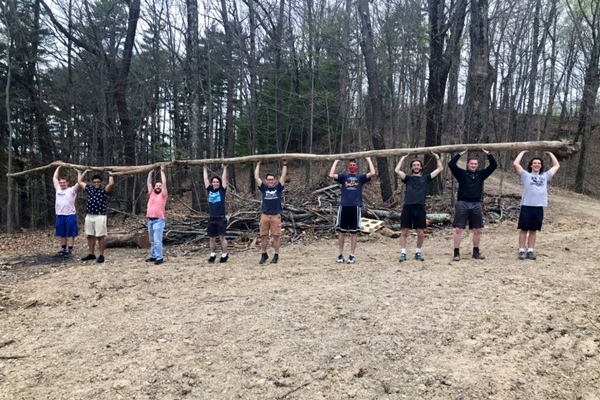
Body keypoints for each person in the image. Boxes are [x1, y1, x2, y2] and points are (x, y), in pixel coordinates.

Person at [449, 149, 497, 261]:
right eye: (471, 164)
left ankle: (476, 252)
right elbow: (451, 164)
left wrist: (488, 154)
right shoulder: (461, 174)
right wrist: (460, 153)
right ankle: (456, 253)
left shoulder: (481, 175)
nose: (473, 165)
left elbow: (493, 165)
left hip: (476, 204)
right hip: (463, 203)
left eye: (475, 164)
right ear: (468, 164)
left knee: (477, 230)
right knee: (458, 229)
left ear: (478, 165)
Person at [395, 153, 443, 262]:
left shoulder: (425, 179)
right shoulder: (408, 178)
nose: (416, 167)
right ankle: (403, 253)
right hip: (408, 207)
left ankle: (418, 252)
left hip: (420, 207)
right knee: (404, 231)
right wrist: (403, 157)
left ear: (421, 167)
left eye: (418, 165)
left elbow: (440, 168)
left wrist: (436, 157)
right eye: (414, 165)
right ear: (412, 167)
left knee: (421, 232)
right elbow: (397, 170)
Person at [513, 151, 560, 260]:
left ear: (541, 166)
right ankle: (521, 250)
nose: (537, 165)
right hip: (526, 206)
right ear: (531, 165)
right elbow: (515, 164)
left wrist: (550, 154)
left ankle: (530, 250)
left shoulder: (545, 176)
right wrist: (522, 152)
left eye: (539, 163)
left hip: (538, 207)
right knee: (524, 229)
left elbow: (556, 166)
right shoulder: (526, 175)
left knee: (533, 230)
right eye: (535, 163)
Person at [328, 157, 376, 264]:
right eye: (350, 165)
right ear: (348, 167)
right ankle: (340, 255)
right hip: (344, 206)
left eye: (354, 165)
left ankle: (352, 255)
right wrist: (336, 161)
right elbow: (331, 175)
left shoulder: (360, 178)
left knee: (354, 232)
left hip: (355, 207)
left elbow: (372, 172)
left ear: (357, 167)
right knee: (341, 232)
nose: (352, 167)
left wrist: (368, 159)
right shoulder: (344, 177)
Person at [254, 160, 288, 264]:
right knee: (263, 236)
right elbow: (256, 177)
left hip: (275, 216)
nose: (270, 181)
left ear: (274, 180)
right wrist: (258, 164)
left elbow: (283, 175)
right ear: (266, 180)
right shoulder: (264, 188)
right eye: (268, 179)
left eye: (272, 179)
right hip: (264, 215)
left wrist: (285, 164)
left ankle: (276, 255)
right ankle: (264, 254)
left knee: (276, 236)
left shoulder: (278, 188)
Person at [78, 170, 114, 263]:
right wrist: (85, 172)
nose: (96, 183)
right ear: (92, 183)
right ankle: (91, 254)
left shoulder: (104, 191)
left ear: (101, 182)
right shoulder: (89, 189)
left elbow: (111, 183)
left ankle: (101, 255)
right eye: (94, 182)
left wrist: (110, 173)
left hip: (100, 216)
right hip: (89, 215)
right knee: (90, 236)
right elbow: (80, 182)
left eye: (98, 182)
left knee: (100, 236)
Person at [53, 165, 81, 256]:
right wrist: (58, 168)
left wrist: (79, 172)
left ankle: (70, 249)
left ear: (67, 183)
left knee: (70, 233)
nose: (62, 184)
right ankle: (63, 248)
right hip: (60, 215)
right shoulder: (58, 189)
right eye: (61, 183)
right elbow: (54, 178)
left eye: (64, 183)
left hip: (70, 215)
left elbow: (79, 182)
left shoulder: (72, 190)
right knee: (62, 233)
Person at [204, 164, 229, 263]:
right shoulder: (209, 189)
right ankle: (212, 255)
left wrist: (225, 168)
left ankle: (224, 254)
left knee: (222, 237)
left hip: (221, 217)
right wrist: (205, 168)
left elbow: (224, 179)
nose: (215, 183)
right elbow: (205, 179)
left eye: (217, 182)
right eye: (214, 182)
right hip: (212, 218)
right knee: (212, 238)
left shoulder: (222, 190)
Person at [146, 165, 168, 265]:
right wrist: (151, 172)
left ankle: (159, 258)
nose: (158, 187)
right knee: (152, 240)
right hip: (150, 220)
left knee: (157, 240)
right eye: (157, 186)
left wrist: (162, 171)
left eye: (159, 186)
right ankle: (153, 256)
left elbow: (164, 183)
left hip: (159, 220)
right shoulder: (151, 193)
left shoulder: (163, 195)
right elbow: (149, 182)